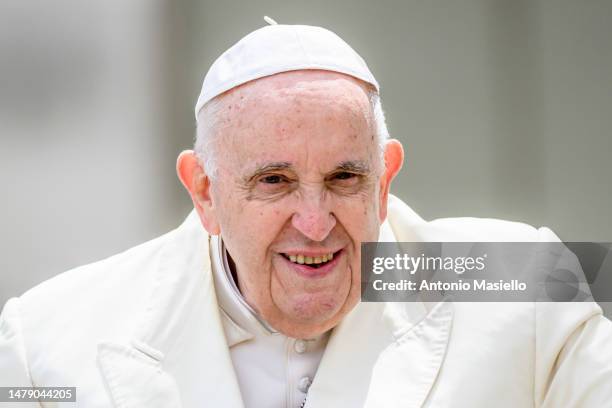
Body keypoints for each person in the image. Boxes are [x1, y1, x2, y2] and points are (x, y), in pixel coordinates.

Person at [1, 21, 611, 408]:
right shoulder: (47, 338)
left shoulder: (522, 281)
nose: (315, 223)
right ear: (205, 192)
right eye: (274, 181)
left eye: (345, 178)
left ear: (384, 180)